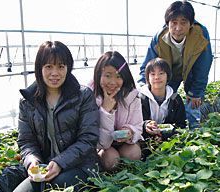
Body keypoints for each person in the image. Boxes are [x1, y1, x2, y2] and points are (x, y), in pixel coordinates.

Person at [14, 41, 100, 192]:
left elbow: (88, 138)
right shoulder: (27, 101)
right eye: (48, 67)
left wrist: (60, 162)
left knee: (51, 188)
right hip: (45, 168)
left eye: (61, 66)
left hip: (81, 166)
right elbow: (26, 141)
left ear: (68, 68)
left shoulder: (83, 95)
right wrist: (32, 161)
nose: (55, 73)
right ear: (39, 69)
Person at [138, 1, 213, 129]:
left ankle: (194, 135)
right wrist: (141, 88)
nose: (178, 28)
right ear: (167, 23)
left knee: (192, 106)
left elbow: (203, 65)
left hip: (191, 73)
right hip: (168, 75)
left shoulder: (200, 35)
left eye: (183, 22)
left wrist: (196, 92)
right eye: (174, 22)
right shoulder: (159, 38)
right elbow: (148, 65)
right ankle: (161, 135)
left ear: (191, 24)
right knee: (164, 104)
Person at [91, 51, 143, 171]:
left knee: (133, 153)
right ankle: (110, 176)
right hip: (103, 145)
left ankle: (126, 176)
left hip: (124, 143)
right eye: (107, 75)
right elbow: (101, 143)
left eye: (118, 76)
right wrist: (105, 110)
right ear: (98, 75)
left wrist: (130, 131)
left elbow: (138, 127)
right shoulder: (91, 97)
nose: (112, 82)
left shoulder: (132, 96)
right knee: (110, 159)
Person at [139, 57, 186, 142]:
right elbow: (136, 123)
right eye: (152, 74)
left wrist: (163, 135)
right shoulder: (140, 99)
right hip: (145, 142)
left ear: (167, 76)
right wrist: (146, 125)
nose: (157, 77)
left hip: (169, 142)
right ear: (147, 78)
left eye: (161, 73)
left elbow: (181, 126)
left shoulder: (175, 99)